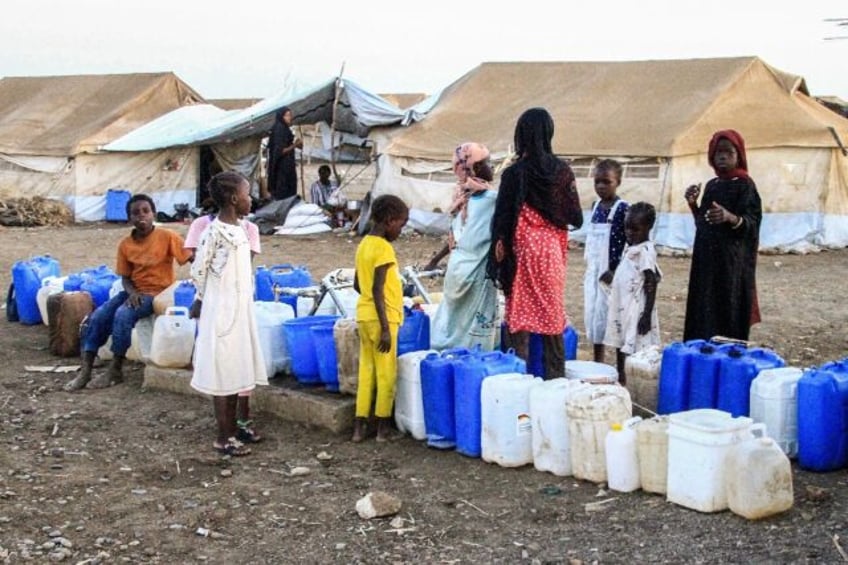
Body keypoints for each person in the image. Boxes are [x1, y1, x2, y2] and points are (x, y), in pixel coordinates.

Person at [487, 107, 583, 380]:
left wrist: (500, 256)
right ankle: (555, 381)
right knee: (552, 314)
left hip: (523, 252)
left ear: (521, 135)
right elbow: (574, 215)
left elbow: (503, 220)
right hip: (551, 252)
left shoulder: (514, 173)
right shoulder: (562, 172)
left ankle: (519, 381)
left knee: (520, 315)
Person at [64, 195, 192, 391]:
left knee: (123, 315)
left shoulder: (167, 236)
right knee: (99, 316)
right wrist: (131, 293)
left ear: (153, 214)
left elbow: (190, 257)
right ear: (129, 218)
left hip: (157, 293)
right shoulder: (125, 245)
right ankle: (86, 369)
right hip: (134, 291)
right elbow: (125, 277)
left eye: (145, 211)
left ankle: (116, 369)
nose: (141, 216)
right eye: (135, 213)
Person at [189, 171, 269, 456]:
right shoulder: (215, 233)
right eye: (248, 195)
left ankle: (234, 429)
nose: (252, 199)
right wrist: (206, 298)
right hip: (222, 312)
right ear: (234, 199)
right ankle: (223, 437)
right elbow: (199, 270)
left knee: (235, 370)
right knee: (222, 373)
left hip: (239, 310)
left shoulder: (241, 229)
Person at [683, 129, 762, 342]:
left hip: (730, 264)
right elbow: (703, 224)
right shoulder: (712, 186)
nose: (723, 157)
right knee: (703, 310)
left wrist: (730, 217)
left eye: (728, 152)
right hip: (706, 263)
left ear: (739, 155)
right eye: (718, 152)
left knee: (727, 309)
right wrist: (693, 204)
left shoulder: (745, 185)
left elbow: (752, 223)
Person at [424, 142, 499, 351]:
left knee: (453, 323)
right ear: (471, 168)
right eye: (486, 163)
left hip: (457, 268)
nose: (491, 168)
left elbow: (455, 238)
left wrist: (435, 260)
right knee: (473, 328)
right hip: (475, 273)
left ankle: (448, 360)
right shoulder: (492, 199)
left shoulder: (460, 197)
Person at [351, 194, 409, 443]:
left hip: (364, 317)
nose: (401, 230)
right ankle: (383, 429)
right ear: (388, 221)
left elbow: (357, 284)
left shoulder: (364, 244)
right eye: (400, 224)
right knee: (386, 373)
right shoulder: (384, 249)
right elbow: (377, 289)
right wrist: (385, 327)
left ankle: (359, 427)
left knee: (366, 371)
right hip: (383, 320)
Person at [604, 202, 662, 384]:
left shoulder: (645, 251)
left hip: (637, 308)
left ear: (648, 228)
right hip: (624, 306)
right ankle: (622, 377)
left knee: (634, 344)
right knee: (622, 341)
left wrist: (645, 315)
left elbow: (651, 281)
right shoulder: (631, 248)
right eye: (627, 228)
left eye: (635, 229)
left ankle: (633, 381)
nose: (629, 233)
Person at [584, 159, 629, 364]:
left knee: (617, 320)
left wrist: (615, 270)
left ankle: (620, 370)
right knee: (596, 317)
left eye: (606, 182)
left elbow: (630, 245)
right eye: (597, 182)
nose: (601, 186)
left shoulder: (623, 209)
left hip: (612, 274)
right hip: (594, 271)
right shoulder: (595, 207)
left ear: (618, 182)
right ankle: (598, 363)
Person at [266, 107, 303, 201]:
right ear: (281, 116)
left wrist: (295, 145)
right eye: (287, 115)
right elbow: (280, 151)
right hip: (282, 169)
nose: (290, 118)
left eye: (290, 115)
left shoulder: (285, 129)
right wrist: (295, 145)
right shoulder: (280, 129)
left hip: (287, 167)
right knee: (283, 194)